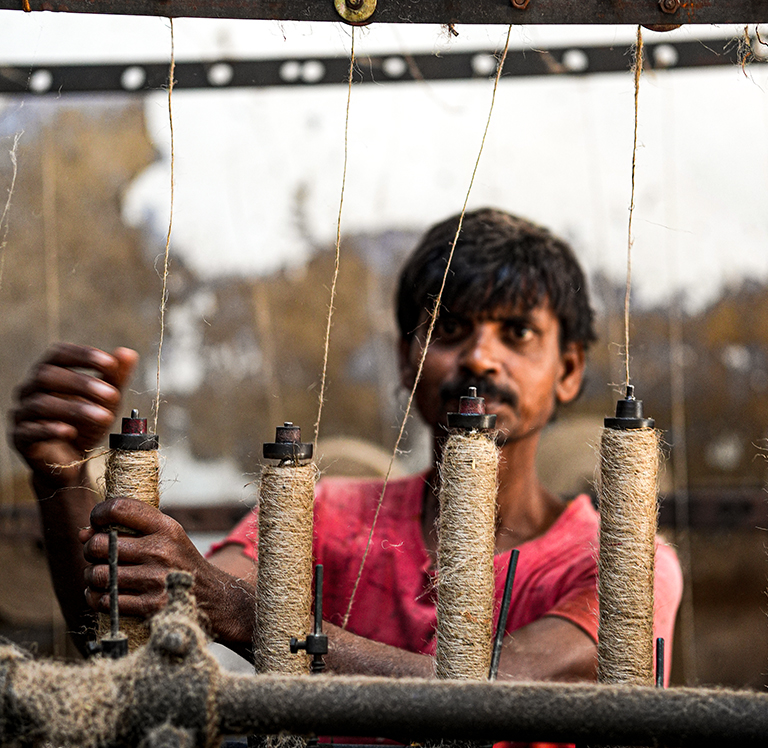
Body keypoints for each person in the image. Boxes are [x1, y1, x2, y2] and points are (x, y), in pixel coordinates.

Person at [10, 208, 682, 685]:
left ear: (568, 370)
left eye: (516, 334)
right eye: (448, 329)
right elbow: (136, 636)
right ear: (405, 359)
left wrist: (248, 614)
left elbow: (511, 685)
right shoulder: (324, 517)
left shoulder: (625, 564)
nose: (479, 357)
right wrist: (62, 478)